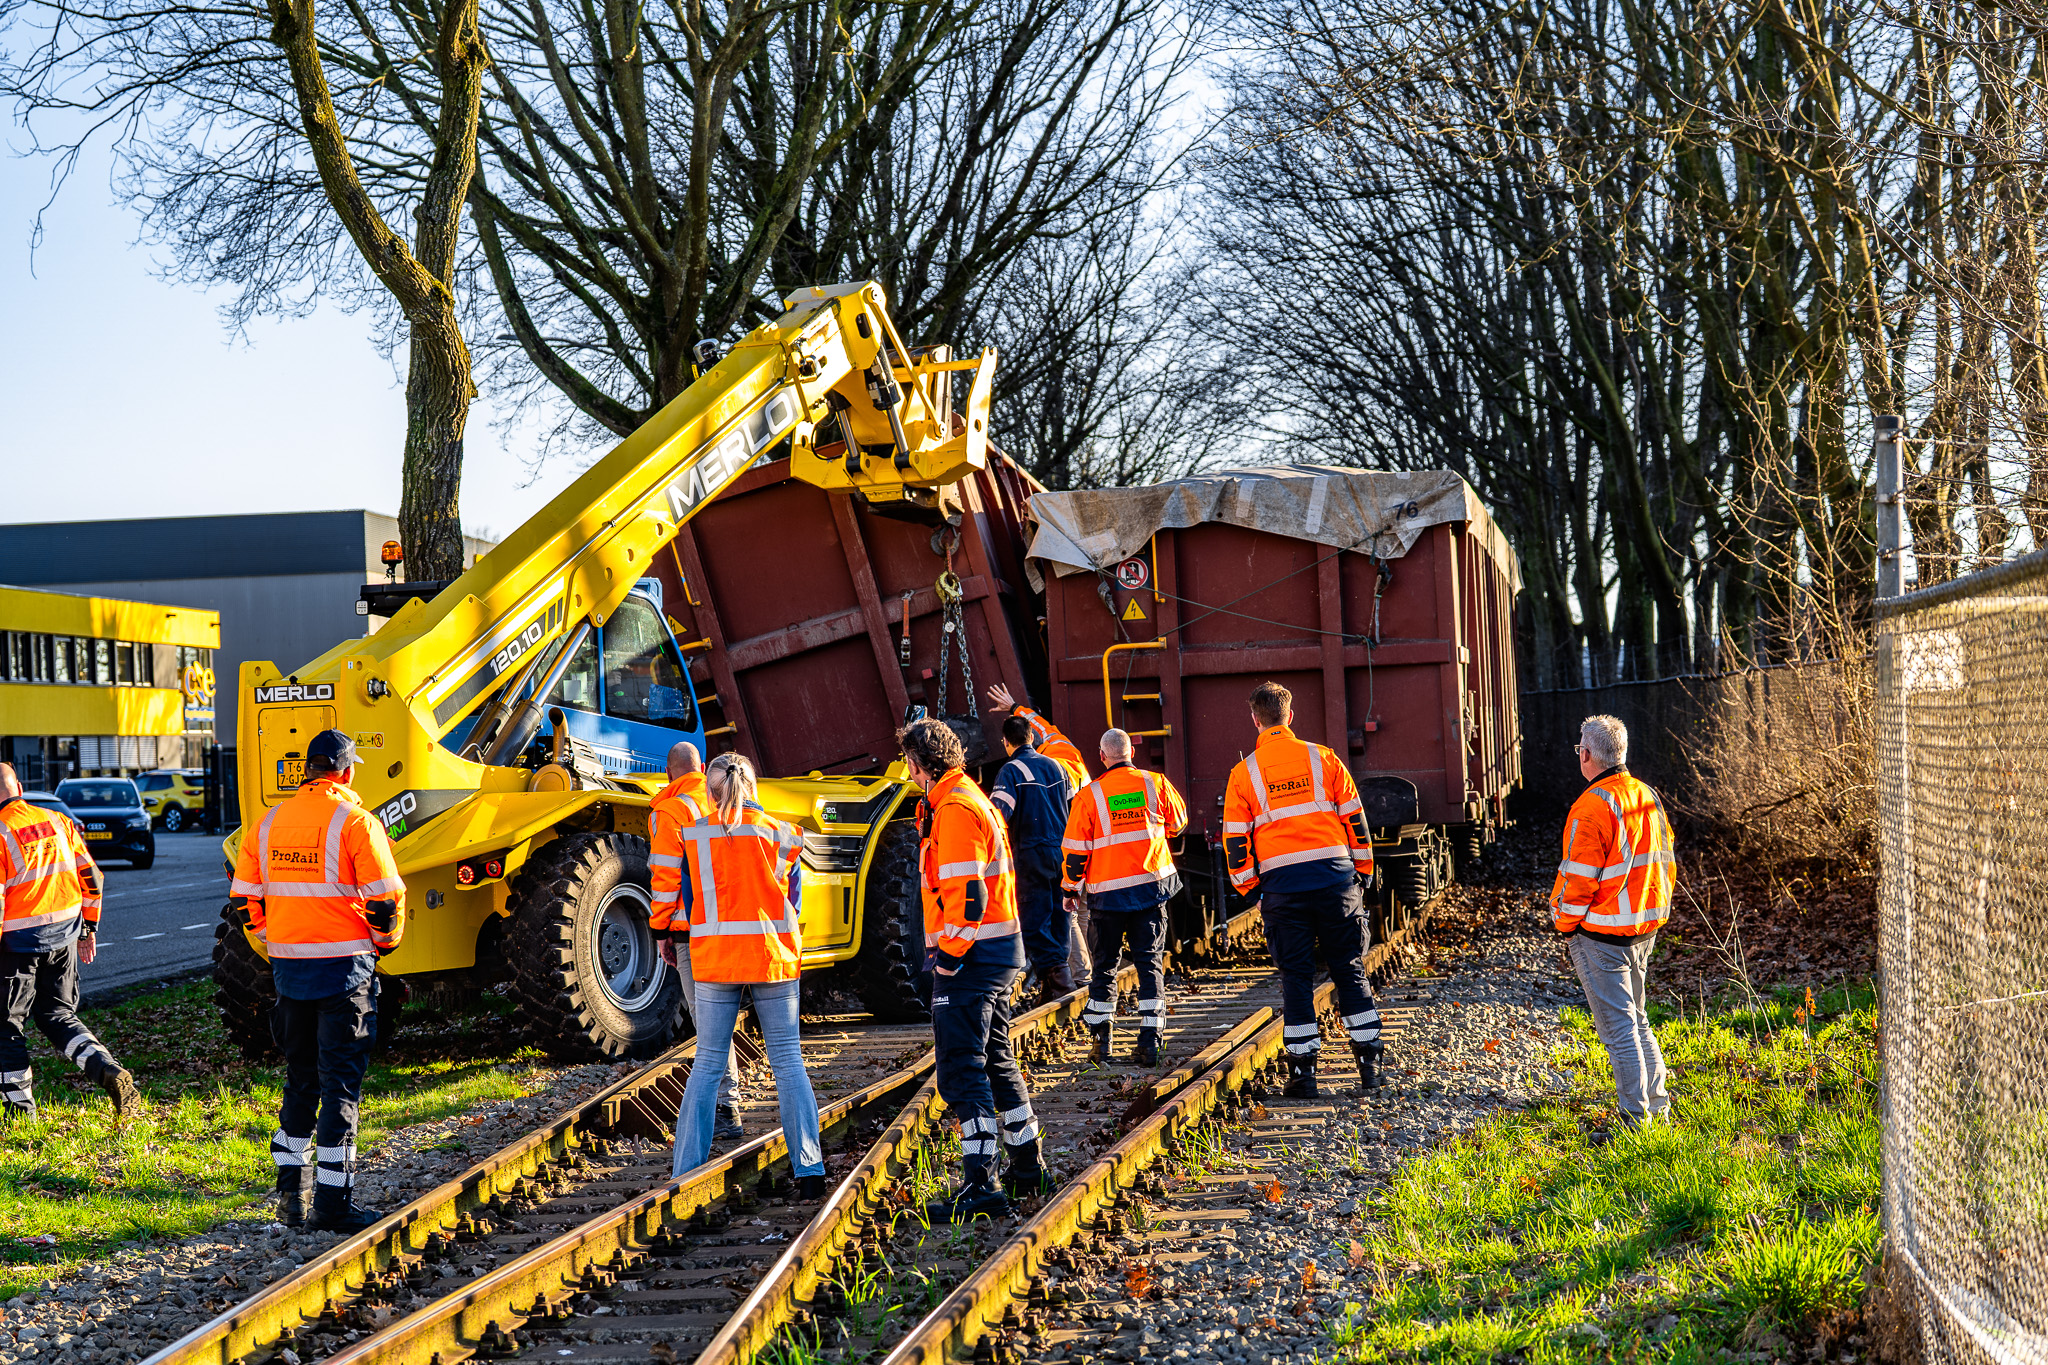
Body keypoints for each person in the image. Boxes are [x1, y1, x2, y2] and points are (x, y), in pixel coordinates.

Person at [228, 731, 405, 1231]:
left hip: (290, 972)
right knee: (339, 1087)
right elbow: (385, 904)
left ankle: (292, 1197)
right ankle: (332, 1205)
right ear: (346, 772)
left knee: (300, 1081)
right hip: (344, 972)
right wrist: (384, 945)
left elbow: (244, 900)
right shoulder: (357, 822)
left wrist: (276, 939)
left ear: (308, 770)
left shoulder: (267, 824)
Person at [900, 717, 1051, 1219]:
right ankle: (1027, 1166)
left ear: (919, 763)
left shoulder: (955, 809)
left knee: (962, 1069)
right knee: (996, 1060)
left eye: (908, 763)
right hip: (996, 951)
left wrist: (948, 960)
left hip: (973, 958)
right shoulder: (963, 798)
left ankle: (981, 1183)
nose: (907, 772)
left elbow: (969, 897)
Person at [663, 753, 827, 1196]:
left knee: (708, 1062)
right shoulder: (781, 834)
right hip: (771, 959)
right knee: (788, 1061)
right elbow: (793, 901)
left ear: (710, 792)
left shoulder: (694, 836)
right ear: (752, 786)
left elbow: (689, 901)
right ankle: (810, 1171)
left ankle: (684, 1172)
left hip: (716, 960)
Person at [1223, 682, 1382, 1099]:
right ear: (1290, 716)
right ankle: (1370, 1069)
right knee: (1349, 968)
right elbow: (1355, 819)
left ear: (1255, 720)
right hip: (1335, 881)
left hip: (1283, 890)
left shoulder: (1244, 774)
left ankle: (1304, 1076)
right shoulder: (1323, 757)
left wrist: (1252, 891)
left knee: (1295, 979)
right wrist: (1363, 872)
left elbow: (1235, 842)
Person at [1550, 714, 1676, 1134]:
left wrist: (1565, 924)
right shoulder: (1646, 795)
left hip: (1602, 934)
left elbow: (1578, 881)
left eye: (1579, 750)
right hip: (1644, 927)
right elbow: (1665, 860)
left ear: (1586, 754)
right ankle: (1657, 1110)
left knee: (1620, 1030)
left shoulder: (1591, 806)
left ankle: (1636, 1123)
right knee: (1637, 1020)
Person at [0, 763, 139, 1122]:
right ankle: (106, 1068)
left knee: (8, 1027)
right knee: (57, 1014)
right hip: (63, 936)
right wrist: (88, 929)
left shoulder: (1, 831)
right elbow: (92, 876)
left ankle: (20, 1114)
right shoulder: (57, 821)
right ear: (19, 787)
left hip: (17, 945)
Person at [1061, 730, 1187, 1066]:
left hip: (1107, 898)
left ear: (1102, 756)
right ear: (1131, 752)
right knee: (1149, 965)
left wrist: (1070, 890)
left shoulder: (1089, 796)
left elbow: (1075, 852)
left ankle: (1101, 1045)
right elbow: (1178, 823)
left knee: (1104, 969)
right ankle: (1150, 1043)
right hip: (1150, 891)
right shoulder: (1155, 783)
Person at [647, 741, 746, 1140]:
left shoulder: (670, 811)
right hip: (736, 924)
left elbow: (665, 877)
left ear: (668, 773)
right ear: (702, 768)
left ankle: (726, 1109)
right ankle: (726, 1105)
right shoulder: (725, 795)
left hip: (693, 932)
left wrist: (661, 931)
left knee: (708, 1021)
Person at [990, 714, 1076, 1003]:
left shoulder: (1010, 771)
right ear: (1031, 737)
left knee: (1032, 920)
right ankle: (1054, 984)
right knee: (1060, 916)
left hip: (1031, 854)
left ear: (1005, 742)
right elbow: (1073, 811)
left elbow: (998, 817)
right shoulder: (1058, 767)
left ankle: (1059, 978)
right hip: (1061, 853)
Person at [985, 683, 1088, 794]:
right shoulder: (1060, 744)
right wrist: (1013, 706)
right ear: (1032, 737)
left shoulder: (1038, 776)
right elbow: (1040, 725)